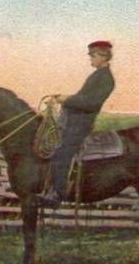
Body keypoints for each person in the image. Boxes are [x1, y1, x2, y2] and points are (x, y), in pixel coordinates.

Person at [39, 40, 116, 205]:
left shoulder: (106, 78)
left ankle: (57, 194)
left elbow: (91, 103)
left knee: (61, 153)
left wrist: (66, 100)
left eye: (93, 56)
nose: (91, 59)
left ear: (103, 56)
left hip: (81, 124)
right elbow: (82, 98)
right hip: (74, 122)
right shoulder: (98, 75)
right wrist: (65, 98)